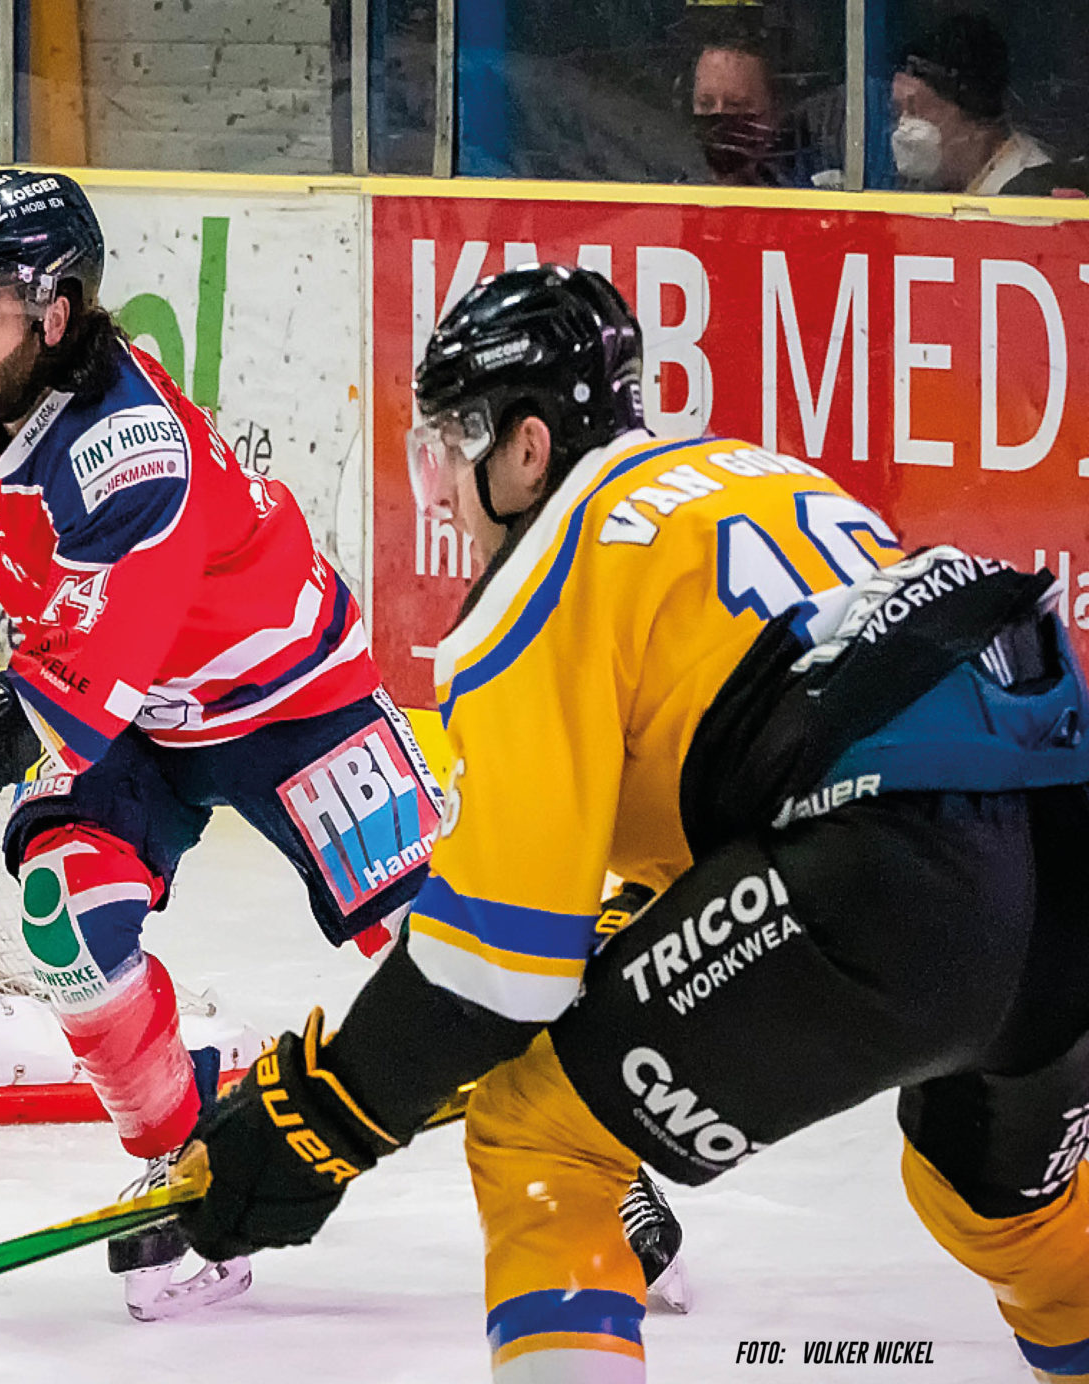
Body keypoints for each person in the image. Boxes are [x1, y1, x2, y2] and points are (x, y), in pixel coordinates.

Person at [175, 264, 1089, 1382]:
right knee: (993, 1205)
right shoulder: (748, 474)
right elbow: (781, 738)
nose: (447, 493)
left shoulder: (544, 571)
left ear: (523, 446)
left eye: (454, 445)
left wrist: (314, 1121)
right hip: (1061, 855)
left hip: (897, 876)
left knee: (537, 1134)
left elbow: (490, 974)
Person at [0, 169, 443, 1321]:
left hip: (288, 696)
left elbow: (67, 701)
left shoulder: (126, 451)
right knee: (64, 920)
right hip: (135, 721)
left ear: (57, 310)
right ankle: (199, 1156)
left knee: (444, 953)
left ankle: (599, 1158)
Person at [891, 14, 1050, 195]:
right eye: (899, 111)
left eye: (915, 110)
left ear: (973, 115)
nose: (903, 128)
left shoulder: (1031, 195)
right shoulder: (932, 188)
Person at [686, 34, 824, 189]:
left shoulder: (805, 190)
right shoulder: (667, 188)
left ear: (775, 110)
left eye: (735, 105)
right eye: (706, 104)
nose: (719, 115)